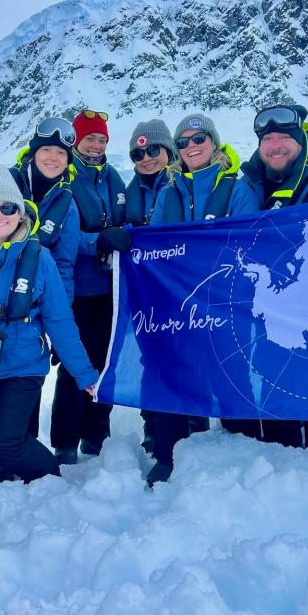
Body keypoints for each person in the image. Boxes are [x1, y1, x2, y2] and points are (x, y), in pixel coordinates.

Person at [0, 165, 99, 514]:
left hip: (23, 363)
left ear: (19, 211)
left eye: (7, 207)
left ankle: (47, 474)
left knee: (5, 440)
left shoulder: (40, 258)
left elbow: (59, 320)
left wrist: (84, 374)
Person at [225, 104, 308, 459]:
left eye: (284, 137)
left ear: (300, 141)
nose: (276, 145)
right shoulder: (250, 185)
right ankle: (283, 470)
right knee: (275, 387)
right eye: (268, 139)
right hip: (272, 308)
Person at [146, 114, 260, 484]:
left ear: (213, 142)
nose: (191, 147)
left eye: (199, 139)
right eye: (183, 143)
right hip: (180, 304)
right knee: (173, 374)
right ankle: (169, 454)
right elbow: (156, 243)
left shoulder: (237, 189)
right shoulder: (169, 192)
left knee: (232, 375)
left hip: (226, 304)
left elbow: (248, 242)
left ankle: (244, 451)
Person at [50, 111, 130, 464]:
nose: (96, 145)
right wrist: (99, 241)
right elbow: (65, 238)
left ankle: (97, 433)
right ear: (76, 141)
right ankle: (65, 440)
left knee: (106, 360)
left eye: (102, 139)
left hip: (111, 288)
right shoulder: (66, 179)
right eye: (90, 139)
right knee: (74, 363)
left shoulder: (112, 178)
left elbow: (124, 223)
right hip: (79, 288)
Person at [123, 120, 178, 457]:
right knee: (151, 359)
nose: (146, 157)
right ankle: (153, 427)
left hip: (181, 288)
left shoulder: (180, 184)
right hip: (147, 291)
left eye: (153, 149)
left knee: (183, 359)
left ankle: (190, 424)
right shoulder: (129, 191)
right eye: (137, 152)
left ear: (168, 150)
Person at [10, 118, 81, 302]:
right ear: (33, 153)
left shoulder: (68, 205)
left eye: (60, 152)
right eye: (46, 149)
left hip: (37, 298)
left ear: (67, 160)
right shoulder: (7, 185)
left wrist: (62, 312)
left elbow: (64, 265)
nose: (53, 157)